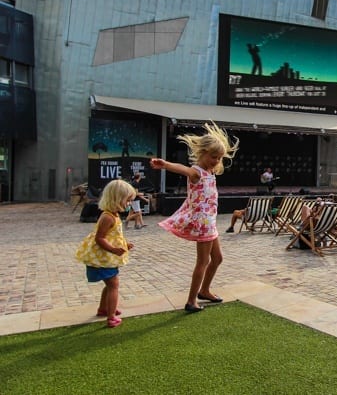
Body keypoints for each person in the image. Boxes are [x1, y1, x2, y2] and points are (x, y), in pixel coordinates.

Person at [151, 122, 239, 313]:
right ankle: (191, 300)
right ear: (203, 153)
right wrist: (165, 164)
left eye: (219, 158)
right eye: (213, 157)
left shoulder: (210, 172)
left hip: (210, 223)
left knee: (217, 259)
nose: (216, 161)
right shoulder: (197, 172)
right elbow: (182, 169)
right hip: (202, 224)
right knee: (203, 261)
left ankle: (204, 290)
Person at [75, 179, 136, 328]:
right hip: (103, 258)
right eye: (127, 201)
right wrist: (114, 250)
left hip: (107, 258)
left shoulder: (113, 215)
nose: (129, 204)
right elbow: (100, 238)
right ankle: (111, 316)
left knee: (109, 284)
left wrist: (124, 245)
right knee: (114, 284)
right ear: (117, 199)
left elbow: (113, 236)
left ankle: (104, 308)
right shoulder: (107, 217)